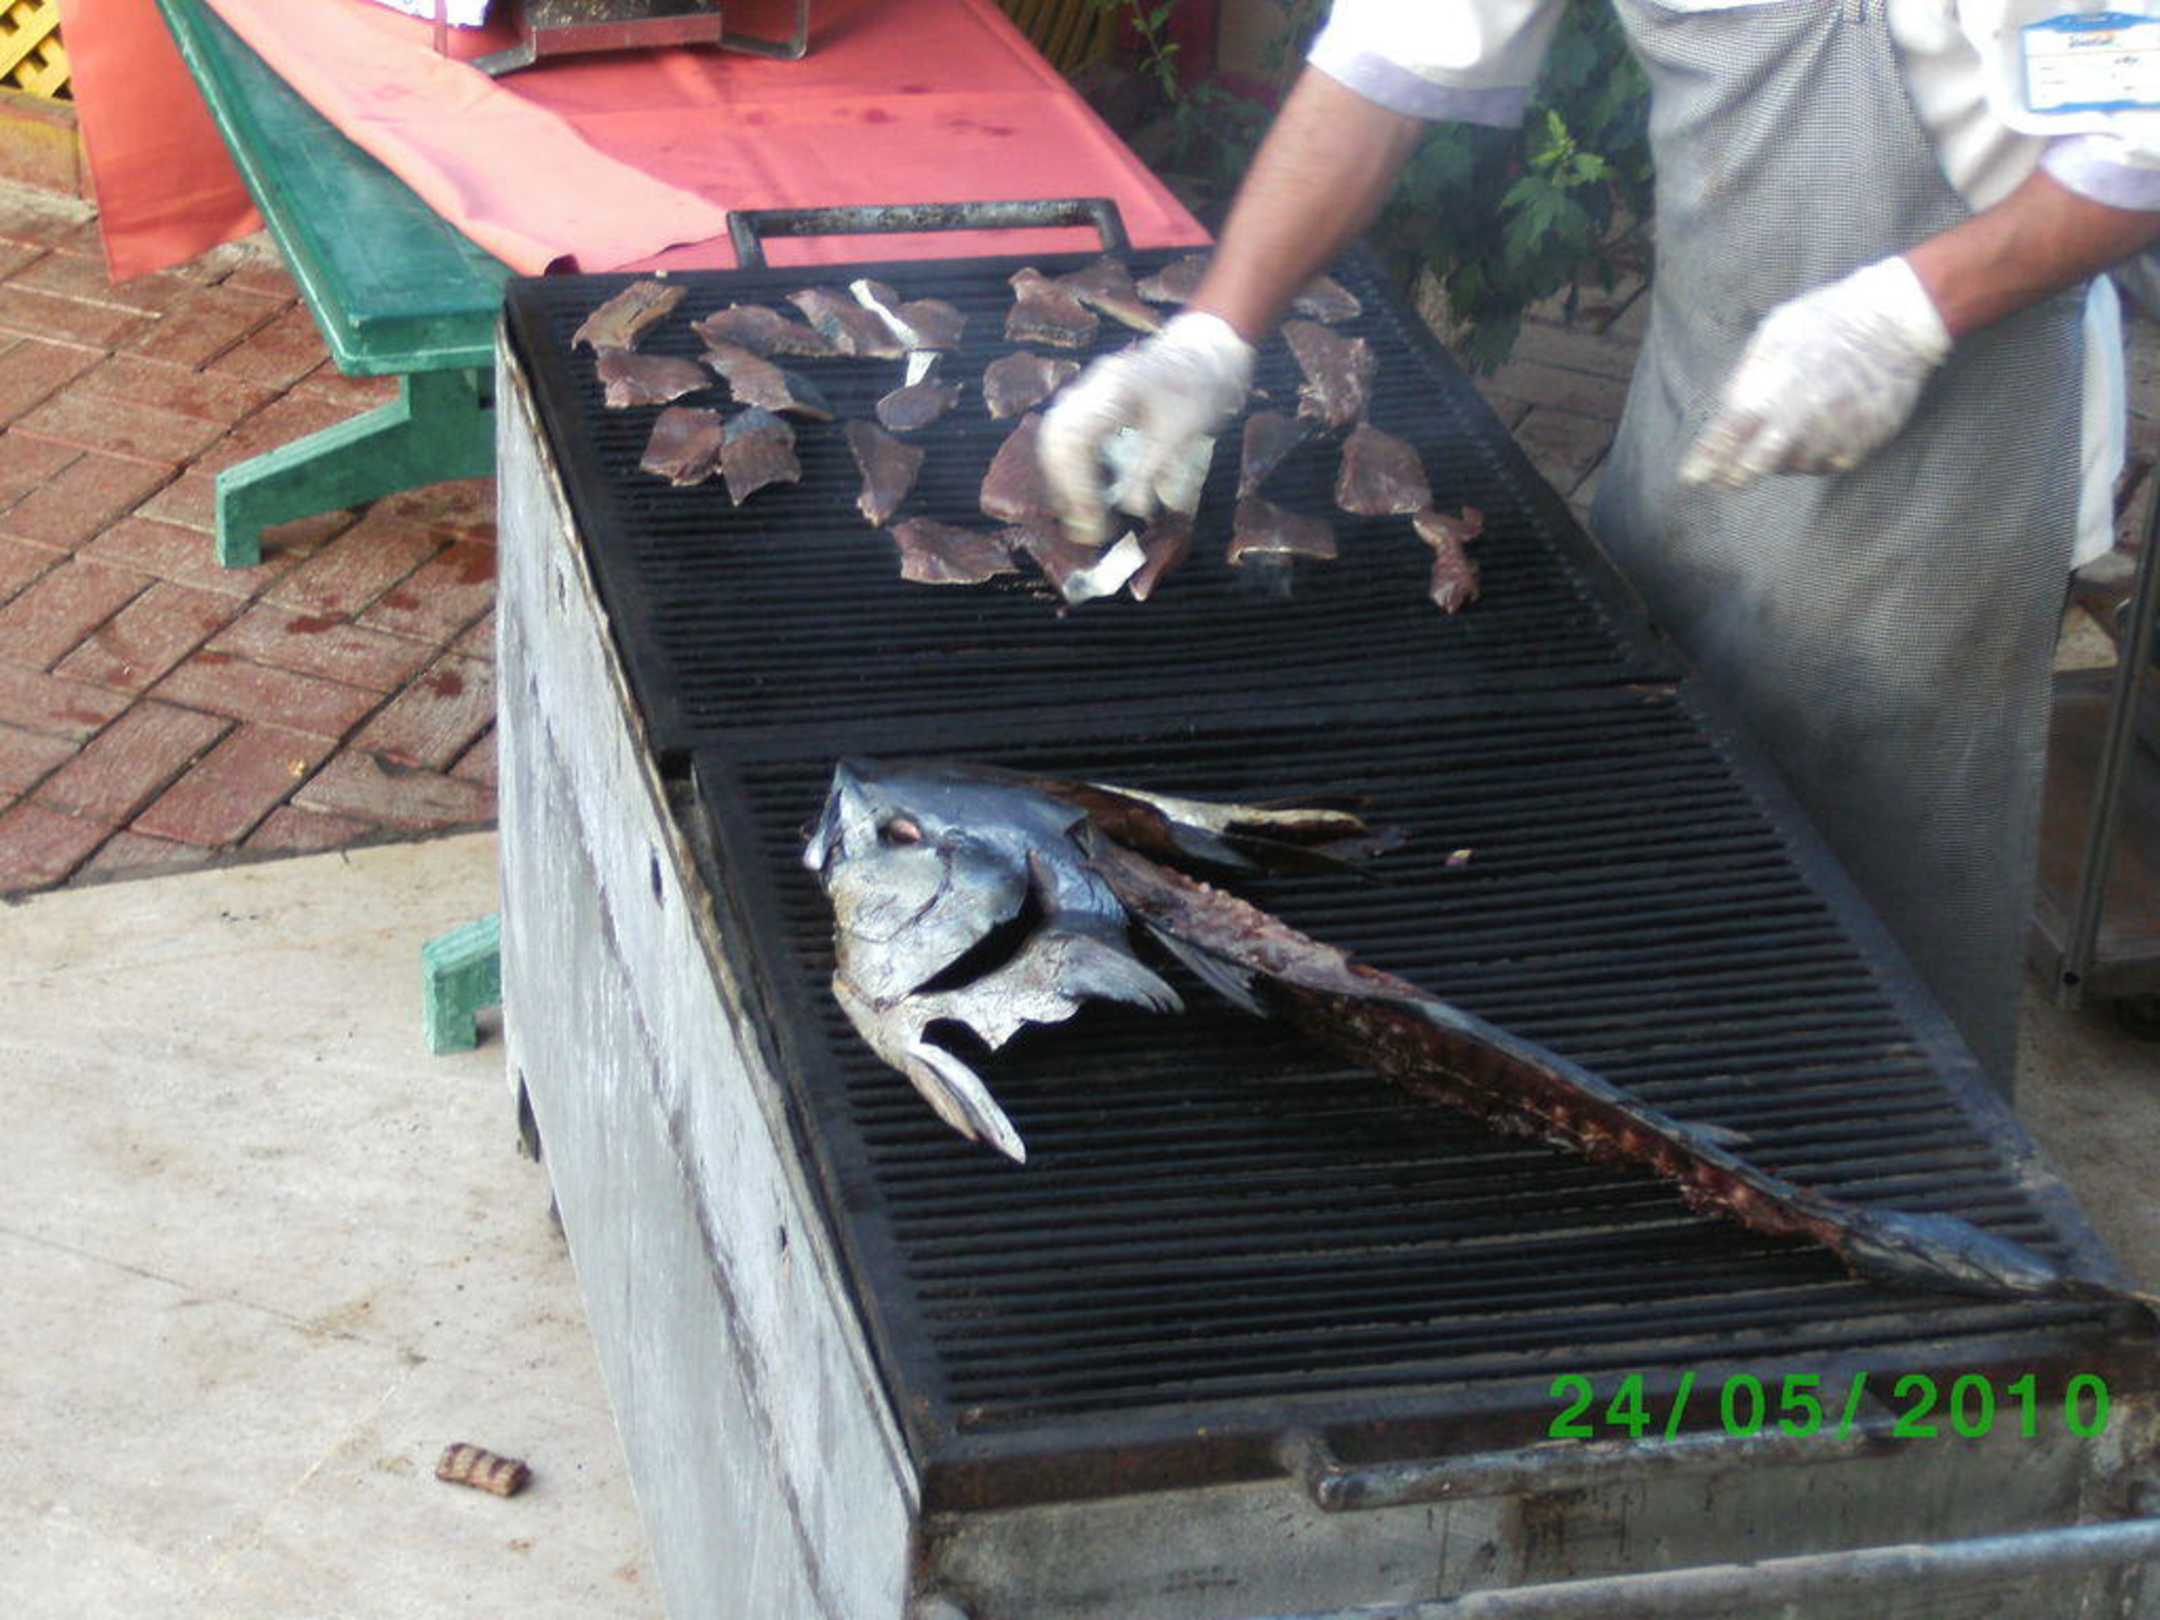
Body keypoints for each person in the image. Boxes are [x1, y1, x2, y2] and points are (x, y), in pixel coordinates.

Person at [1040, 1, 2160, 1097]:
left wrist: (1904, 311)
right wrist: (1214, 334)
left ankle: (1898, 1160)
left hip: (1956, 440)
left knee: (1880, 895)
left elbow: (2141, 144)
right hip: (1710, 385)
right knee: (1656, 788)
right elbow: (1387, 55)